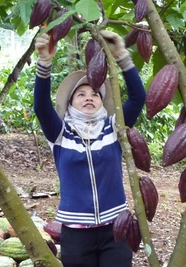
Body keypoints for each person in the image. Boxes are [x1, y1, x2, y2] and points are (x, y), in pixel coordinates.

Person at [33, 30, 146, 267]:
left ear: (101, 102)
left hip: (116, 227)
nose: (88, 97)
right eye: (81, 94)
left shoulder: (114, 129)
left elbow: (137, 98)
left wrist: (122, 56)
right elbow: (42, 107)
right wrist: (45, 64)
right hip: (75, 232)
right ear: (71, 102)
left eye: (95, 94)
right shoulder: (60, 133)